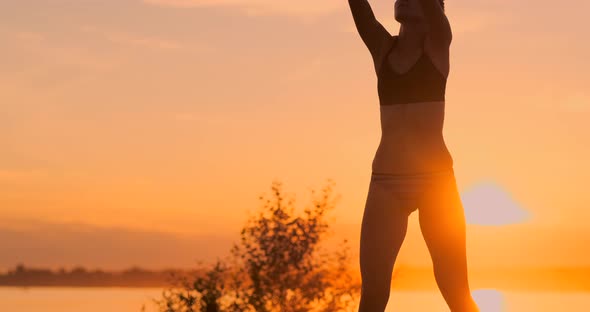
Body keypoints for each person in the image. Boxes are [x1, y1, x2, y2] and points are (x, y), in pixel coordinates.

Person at [347, 0, 480, 311]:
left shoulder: (438, 44)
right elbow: (360, 9)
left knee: (457, 293)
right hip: (386, 184)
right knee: (374, 295)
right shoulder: (382, 48)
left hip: (437, 183)